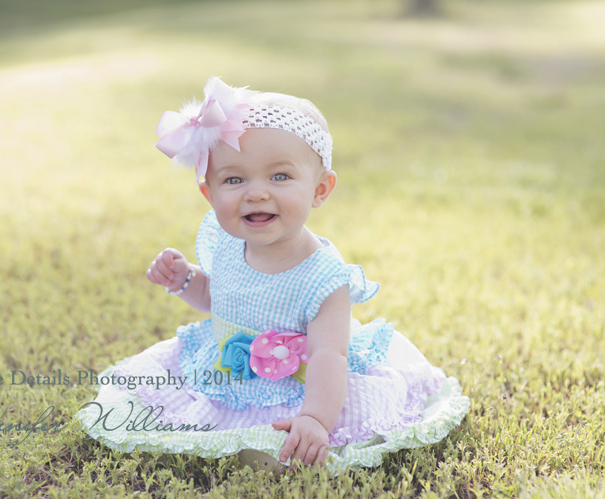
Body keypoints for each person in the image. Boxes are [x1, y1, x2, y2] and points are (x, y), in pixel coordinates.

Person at [76, 76, 469, 474]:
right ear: (209, 196)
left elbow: (328, 354)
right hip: (226, 370)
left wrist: (315, 418)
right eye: (234, 179)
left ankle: (287, 436)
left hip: (304, 385)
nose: (257, 192)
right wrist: (184, 280)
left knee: (277, 454)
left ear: (320, 189)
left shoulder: (324, 277)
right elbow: (218, 297)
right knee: (162, 409)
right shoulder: (227, 242)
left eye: (279, 177)